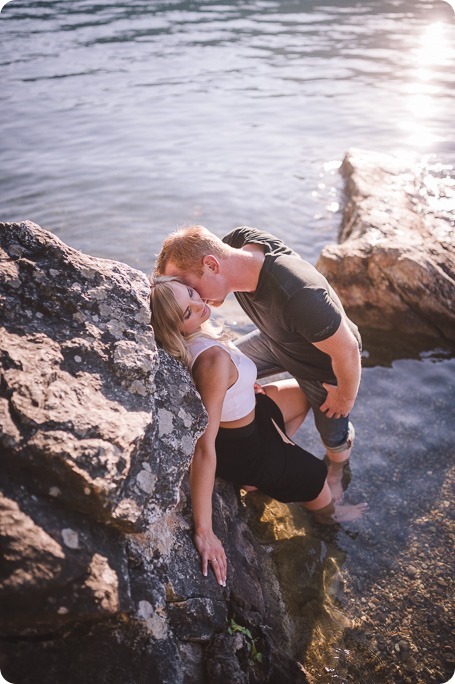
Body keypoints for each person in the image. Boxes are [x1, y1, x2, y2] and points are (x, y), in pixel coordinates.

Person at [149, 275, 368, 587]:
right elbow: (203, 447)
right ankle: (327, 515)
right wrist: (204, 529)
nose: (199, 304)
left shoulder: (200, 338)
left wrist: (241, 386)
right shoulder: (212, 360)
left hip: (253, 412)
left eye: (190, 292)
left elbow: (220, 383)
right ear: (174, 328)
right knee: (316, 479)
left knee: (308, 394)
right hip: (245, 448)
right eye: (187, 312)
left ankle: (276, 465)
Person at [155, 225, 362, 502]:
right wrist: (240, 383)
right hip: (278, 337)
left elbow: (348, 350)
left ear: (211, 264)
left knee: (333, 434)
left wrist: (345, 396)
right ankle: (274, 450)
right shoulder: (237, 245)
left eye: (191, 288)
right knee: (228, 371)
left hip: (324, 364)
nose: (195, 297)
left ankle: (337, 468)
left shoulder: (300, 295)